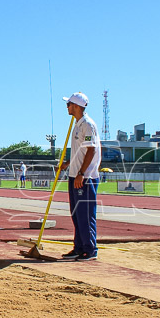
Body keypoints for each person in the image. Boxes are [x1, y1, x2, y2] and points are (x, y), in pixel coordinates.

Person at [59, 92, 100, 261]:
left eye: (68, 104)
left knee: (85, 214)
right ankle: (79, 247)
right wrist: (67, 164)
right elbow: (80, 151)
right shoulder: (77, 124)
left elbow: (91, 150)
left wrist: (81, 174)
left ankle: (90, 250)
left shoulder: (88, 125)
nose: (67, 107)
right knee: (76, 214)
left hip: (85, 177)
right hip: (74, 174)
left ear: (76, 106)